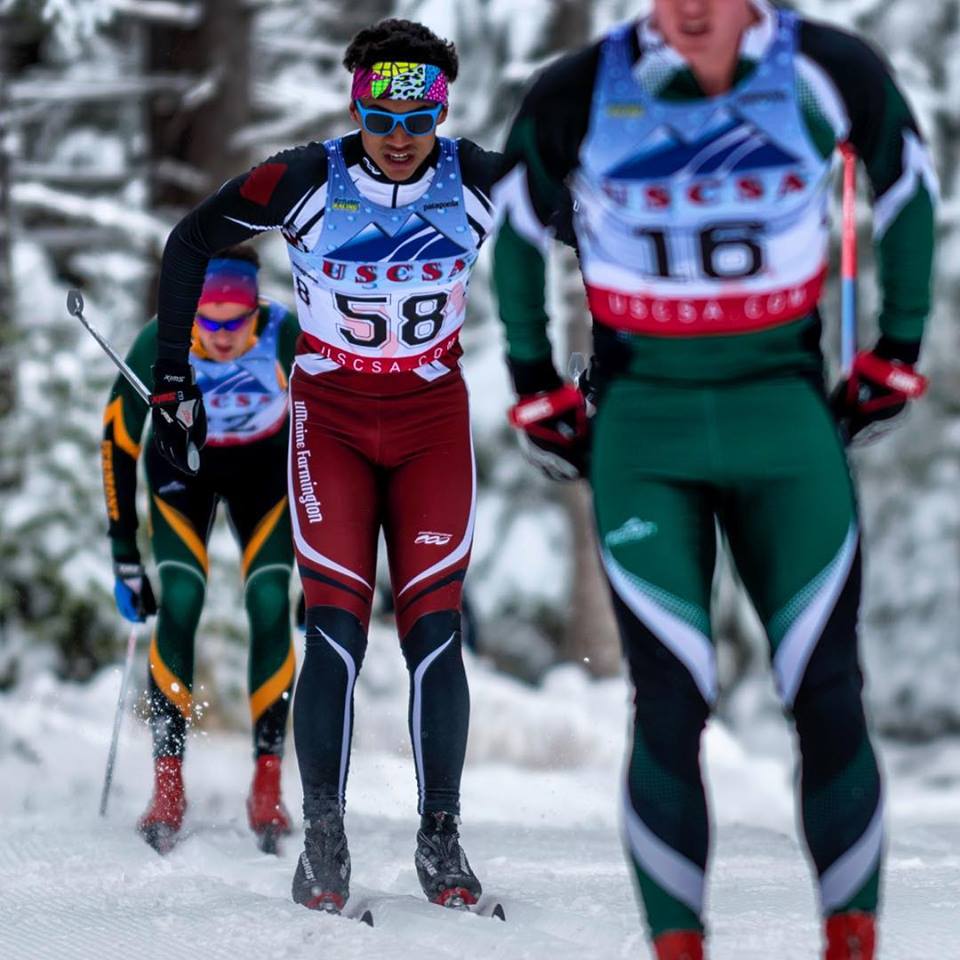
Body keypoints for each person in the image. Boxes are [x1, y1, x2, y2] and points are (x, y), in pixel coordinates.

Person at [492, 1, 936, 958]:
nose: (692, 10)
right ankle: (677, 945)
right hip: (645, 434)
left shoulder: (825, 67)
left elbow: (907, 182)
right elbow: (516, 222)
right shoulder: (583, 87)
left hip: (783, 424)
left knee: (826, 691)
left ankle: (851, 939)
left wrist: (898, 346)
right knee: (669, 701)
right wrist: (532, 379)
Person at [147, 19, 501, 912]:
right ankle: (324, 837)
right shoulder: (306, 178)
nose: (398, 139)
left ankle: (441, 836)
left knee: (434, 630)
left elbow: (593, 224)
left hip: (429, 421)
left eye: (417, 122)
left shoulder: (479, 179)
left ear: (441, 114)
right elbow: (190, 241)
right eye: (380, 119)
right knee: (336, 628)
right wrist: (172, 377)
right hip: (331, 421)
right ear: (355, 108)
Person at [101, 246, 301, 854]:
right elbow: (117, 440)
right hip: (181, 474)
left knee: (270, 600)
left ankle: (267, 783)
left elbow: (333, 431)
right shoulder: (161, 338)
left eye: (234, 322)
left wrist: (326, 564)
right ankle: (168, 786)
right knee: (182, 597)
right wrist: (124, 552)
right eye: (207, 322)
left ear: (255, 310)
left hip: (264, 472)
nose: (219, 335)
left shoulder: (285, 335)